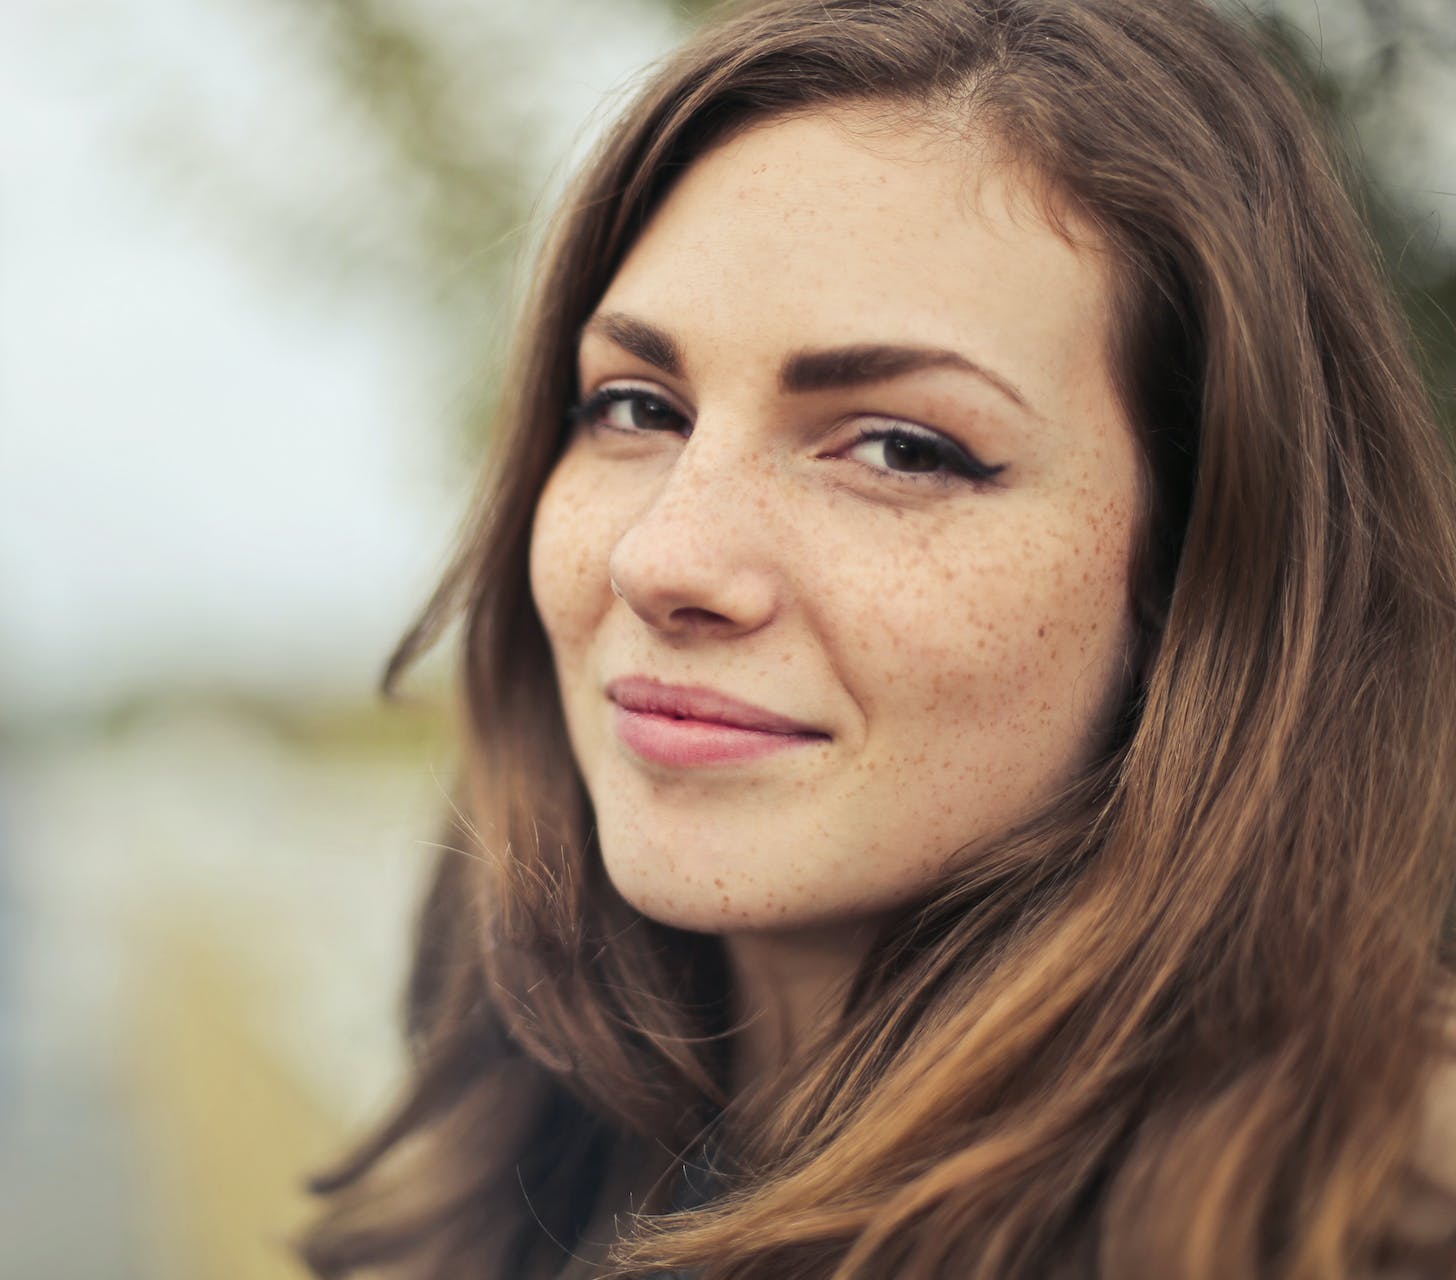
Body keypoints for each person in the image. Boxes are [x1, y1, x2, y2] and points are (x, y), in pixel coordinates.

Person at [302, 1, 1456, 1276]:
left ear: (1201, 574)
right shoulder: (520, 1165)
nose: (664, 559)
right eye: (637, 407)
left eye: (901, 447)